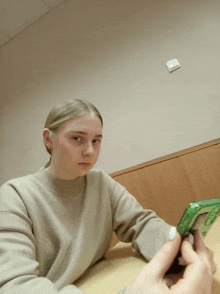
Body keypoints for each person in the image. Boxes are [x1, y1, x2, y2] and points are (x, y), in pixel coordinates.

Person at [0, 99, 216, 294]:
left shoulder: (100, 183)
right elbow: (15, 285)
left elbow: (140, 222)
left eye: (96, 141)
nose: (89, 151)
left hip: (96, 279)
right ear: (49, 139)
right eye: (77, 138)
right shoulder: (14, 196)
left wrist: (180, 250)